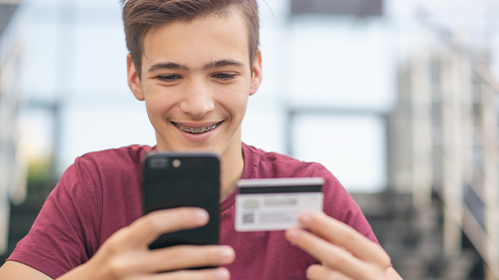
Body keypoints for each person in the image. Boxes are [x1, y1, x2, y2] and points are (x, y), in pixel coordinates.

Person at [0, 0, 402, 279]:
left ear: (255, 73)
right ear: (135, 77)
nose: (197, 104)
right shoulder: (96, 185)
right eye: (170, 76)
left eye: (223, 75)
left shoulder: (315, 195)